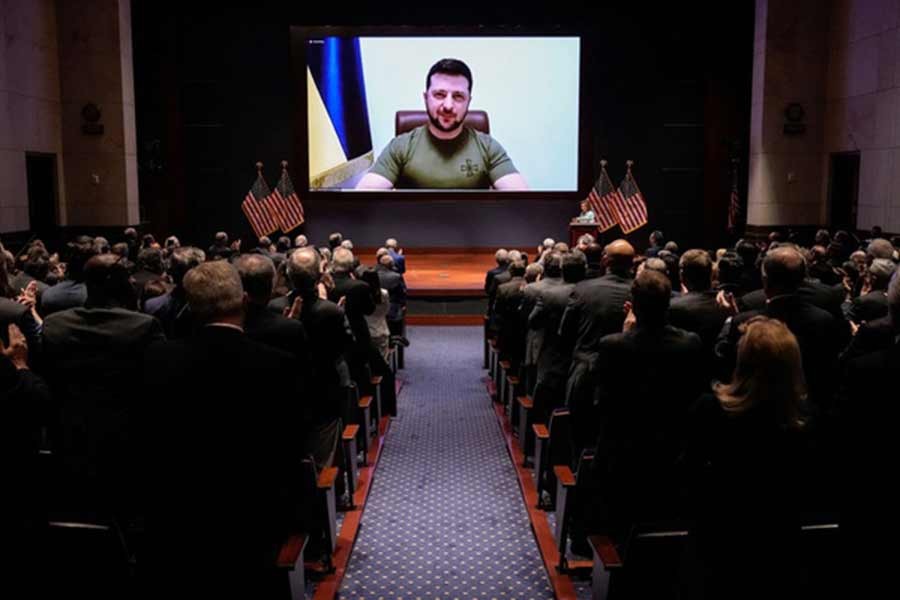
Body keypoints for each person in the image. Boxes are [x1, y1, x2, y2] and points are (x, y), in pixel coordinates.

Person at [355, 58, 529, 190]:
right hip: (413, 233)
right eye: (439, 94)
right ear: (426, 98)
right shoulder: (401, 146)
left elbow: (522, 200)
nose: (448, 105)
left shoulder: (488, 147)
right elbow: (365, 197)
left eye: (458, 96)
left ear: (469, 101)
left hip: (472, 235)